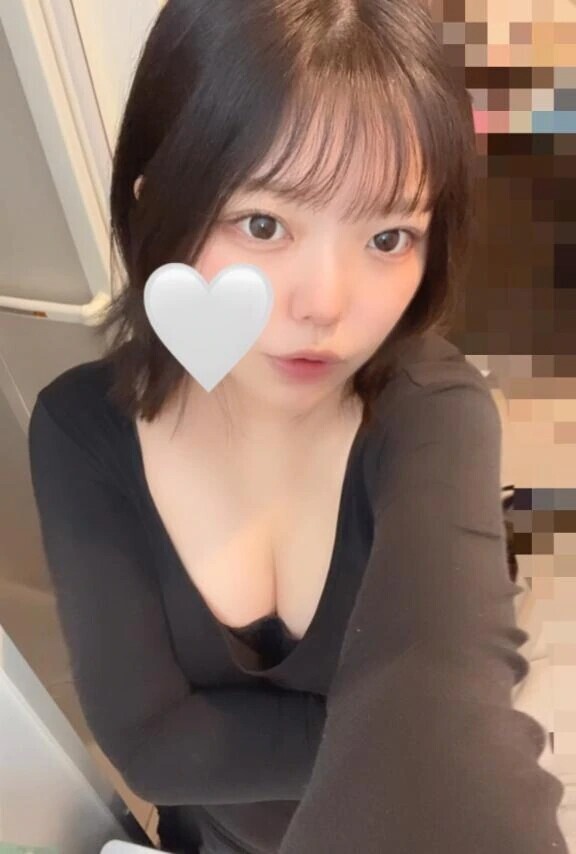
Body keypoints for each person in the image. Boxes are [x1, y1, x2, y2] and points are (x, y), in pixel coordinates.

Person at [27, 1, 568, 852]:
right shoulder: (80, 430)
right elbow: (153, 749)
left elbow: (448, 694)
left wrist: (449, 750)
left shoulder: (435, 413)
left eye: (388, 237)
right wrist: (394, 745)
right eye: (264, 224)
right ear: (158, 207)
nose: (327, 305)